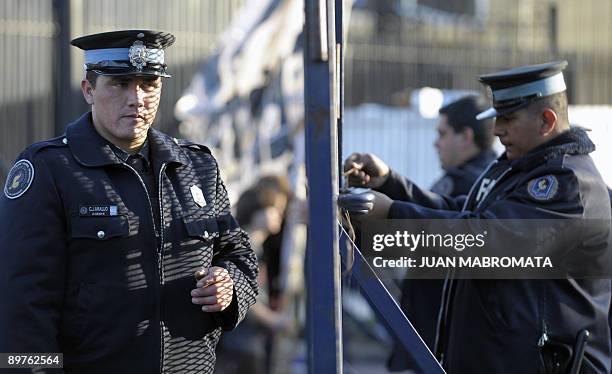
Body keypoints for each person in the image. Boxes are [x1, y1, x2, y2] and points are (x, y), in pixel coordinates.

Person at [0, 30, 258, 373]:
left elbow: (239, 255)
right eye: (119, 84)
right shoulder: (49, 170)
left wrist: (228, 286)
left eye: (149, 83)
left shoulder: (196, 166)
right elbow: (21, 308)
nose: (136, 98)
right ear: (89, 90)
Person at [341, 61, 611, 373]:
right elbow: (463, 214)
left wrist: (391, 212)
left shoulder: (566, 184)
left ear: (546, 121)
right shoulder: (519, 169)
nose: (497, 130)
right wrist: (390, 185)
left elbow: (486, 240)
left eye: (508, 119)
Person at [345, 95, 496, 372]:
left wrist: (371, 217)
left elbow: (431, 224)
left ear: (465, 137)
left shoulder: (468, 182)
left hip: (440, 331)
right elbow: (430, 210)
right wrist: (388, 182)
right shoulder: (482, 179)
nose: (435, 143)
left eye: (442, 134)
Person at [215, 175, 293, 374]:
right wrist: (275, 320)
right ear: (259, 210)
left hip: (250, 343)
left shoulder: (258, 248)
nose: (280, 215)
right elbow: (238, 293)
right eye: (275, 209)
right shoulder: (244, 247)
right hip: (239, 344)